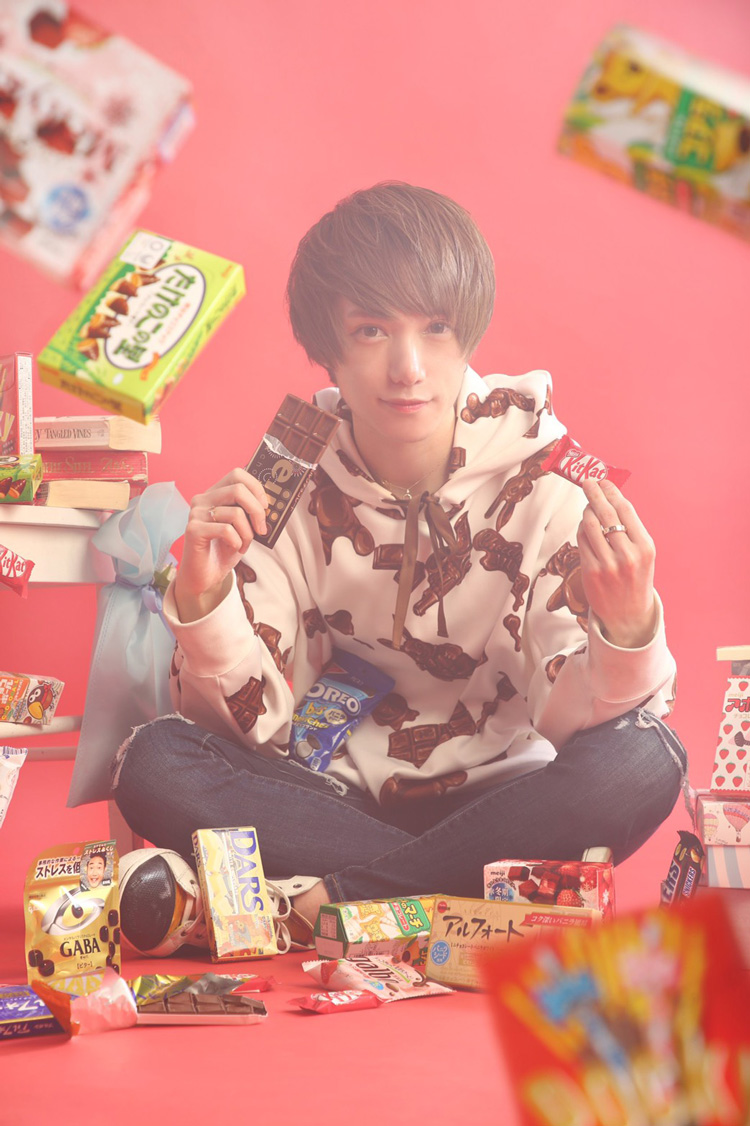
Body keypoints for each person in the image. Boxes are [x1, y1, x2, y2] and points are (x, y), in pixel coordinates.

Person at [113, 182, 686, 950]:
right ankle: (437, 896)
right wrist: (205, 600)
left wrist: (626, 627)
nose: (409, 368)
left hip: (503, 802)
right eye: (372, 330)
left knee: (645, 758)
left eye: (436, 328)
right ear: (329, 347)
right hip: (332, 803)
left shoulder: (546, 483)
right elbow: (255, 725)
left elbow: (571, 712)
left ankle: (333, 902)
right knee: (154, 762)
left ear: (468, 334)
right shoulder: (287, 481)